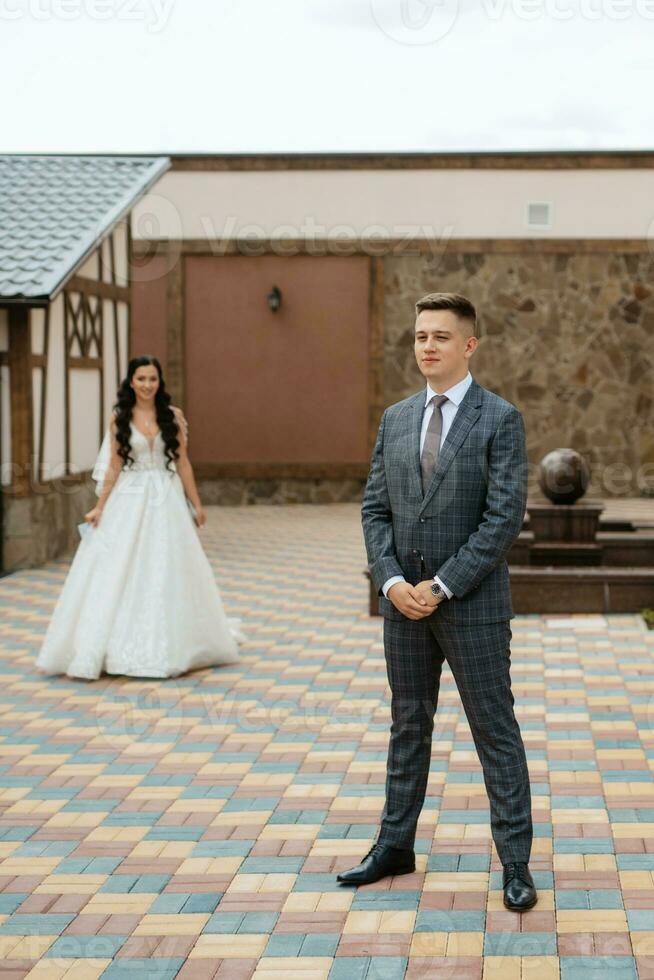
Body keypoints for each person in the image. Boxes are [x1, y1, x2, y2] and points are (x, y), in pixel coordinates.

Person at [338, 293, 536, 912]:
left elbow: (504, 518)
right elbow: (375, 508)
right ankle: (394, 845)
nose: (428, 346)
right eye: (421, 335)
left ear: (469, 345)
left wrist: (443, 584)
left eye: (442, 337)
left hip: (471, 605)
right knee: (407, 725)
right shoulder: (395, 419)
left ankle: (516, 863)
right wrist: (392, 582)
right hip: (404, 609)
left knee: (494, 731)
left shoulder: (499, 419)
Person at [36, 355, 242, 680]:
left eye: (153, 379)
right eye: (141, 379)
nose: (147, 385)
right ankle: (112, 644)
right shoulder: (120, 418)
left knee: (167, 565)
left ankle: (176, 641)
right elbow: (115, 465)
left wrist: (196, 504)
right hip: (128, 498)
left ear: (160, 383)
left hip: (166, 497)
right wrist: (100, 506)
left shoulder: (172, 416)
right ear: (131, 381)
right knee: (118, 567)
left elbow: (183, 462)